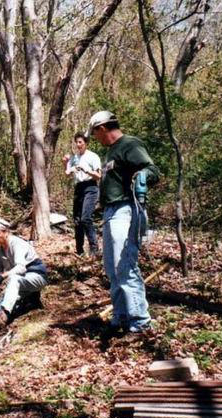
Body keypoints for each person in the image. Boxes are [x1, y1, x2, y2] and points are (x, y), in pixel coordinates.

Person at [86, 110, 160, 334]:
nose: (95, 138)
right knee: (111, 267)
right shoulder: (111, 152)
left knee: (124, 265)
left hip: (126, 210)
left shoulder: (129, 144)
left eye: (95, 134)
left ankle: (140, 320)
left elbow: (152, 170)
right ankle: (120, 316)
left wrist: (143, 177)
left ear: (102, 128)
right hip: (111, 213)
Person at [0, 219, 48, 327]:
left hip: (36, 276)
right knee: (7, 295)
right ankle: (0, 318)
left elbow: (21, 268)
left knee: (14, 279)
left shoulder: (16, 243)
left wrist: (4, 275)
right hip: (22, 280)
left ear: (6, 232)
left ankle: (4, 314)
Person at [62, 133, 102, 257]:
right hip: (79, 188)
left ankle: (94, 249)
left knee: (86, 218)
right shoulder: (74, 158)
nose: (78, 145)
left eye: (80, 142)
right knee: (78, 220)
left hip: (90, 186)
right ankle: (79, 250)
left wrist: (86, 170)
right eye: (77, 142)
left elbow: (99, 176)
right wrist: (66, 163)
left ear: (86, 143)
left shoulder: (93, 156)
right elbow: (67, 174)